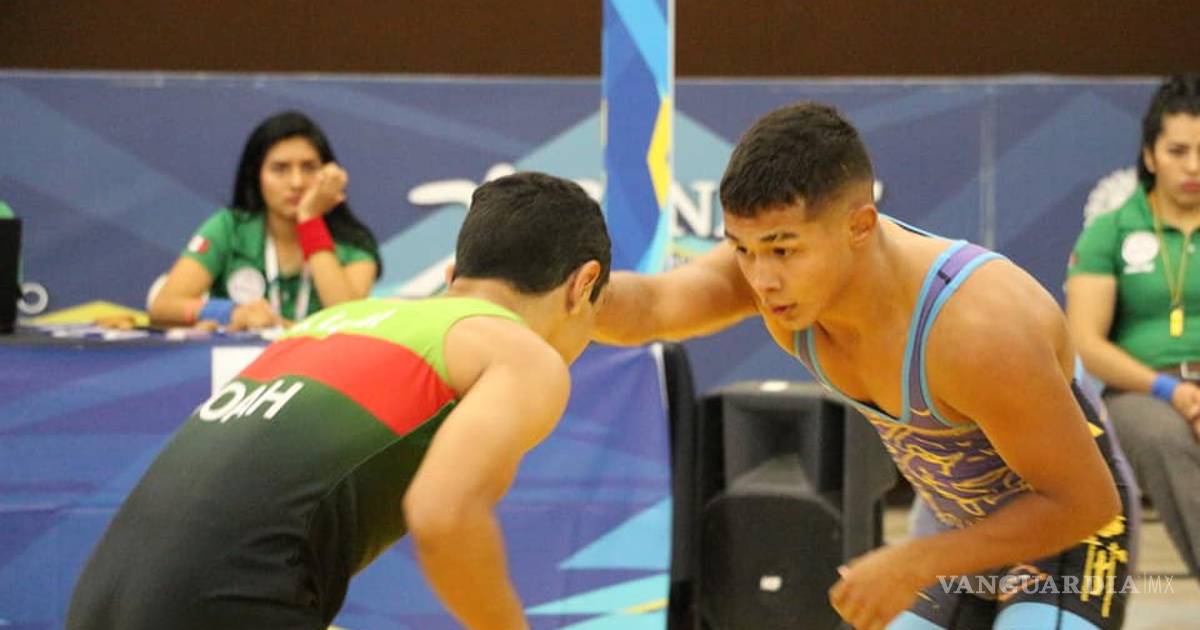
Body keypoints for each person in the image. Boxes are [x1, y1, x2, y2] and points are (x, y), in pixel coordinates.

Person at [595, 102, 1133, 629]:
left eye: (783, 251)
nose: (761, 280)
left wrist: (915, 561)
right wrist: (563, 295)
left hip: (1069, 532)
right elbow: (652, 307)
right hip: (964, 537)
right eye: (742, 249)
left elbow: (1084, 503)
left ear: (860, 226)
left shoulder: (978, 330)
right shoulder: (776, 279)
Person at [68, 172, 611, 630]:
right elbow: (442, 515)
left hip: (98, 601)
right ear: (583, 285)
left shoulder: (335, 320)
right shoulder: (521, 355)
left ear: (454, 277)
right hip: (227, 605)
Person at [1067, 74, 1200, 577]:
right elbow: (1085, 342)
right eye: (1178, 151)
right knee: (1166, 440)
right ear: (1150, 156)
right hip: (1141, 394)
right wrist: (1172, 391)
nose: (1193, 166)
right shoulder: (1112, 230)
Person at [148, 110, 382, 331]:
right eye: (280, 169)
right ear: (256, 175)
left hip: (322, 361)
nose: (297, 182)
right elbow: (163, 307)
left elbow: (348, 323)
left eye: (309, 167)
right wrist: (232, 313)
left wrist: (310, 221)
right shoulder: (231, 227)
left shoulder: (355, 244)